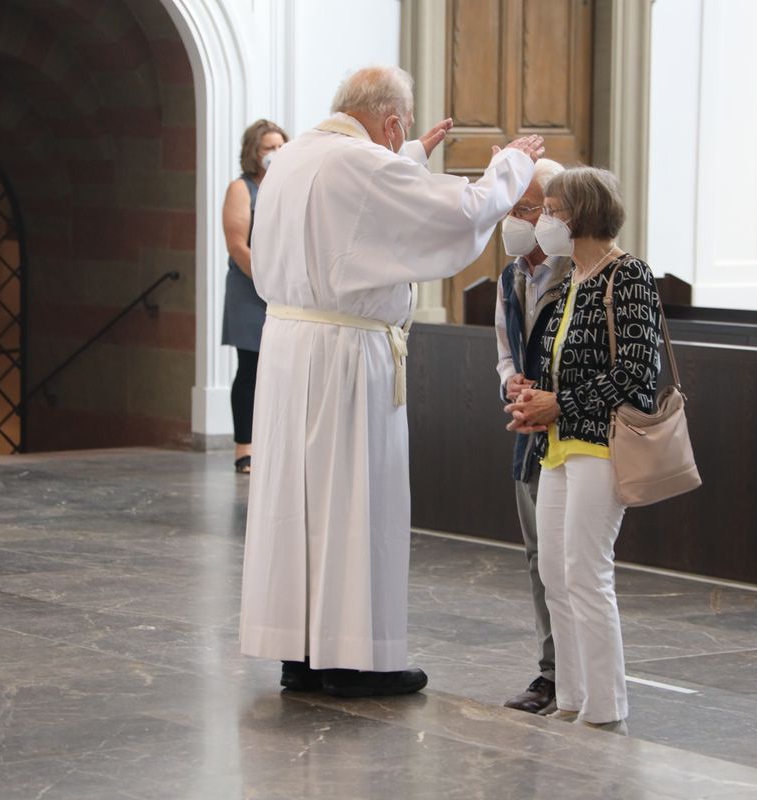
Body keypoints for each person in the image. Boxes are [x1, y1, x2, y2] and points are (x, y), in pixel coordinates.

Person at [239, 65, 545, 698]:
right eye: (399, 132)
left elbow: (352, 210)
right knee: (352, 501)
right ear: (391, 120)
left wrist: (407, 155)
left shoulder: (294, 157)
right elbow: (460, 212)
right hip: (346, 357)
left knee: (295, 506)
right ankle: (351, 659)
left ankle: (299, 655)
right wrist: (511, 165)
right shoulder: (361, 164)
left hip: (290, 352)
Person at [505, 167, 661, 733]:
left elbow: (637, 374)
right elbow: (553, 361)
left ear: (583, 214)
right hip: (557, 446)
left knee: (587, 572)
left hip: (601, 444)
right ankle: (571, 696)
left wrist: (559, 403)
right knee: (554, 571)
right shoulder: (570, 279)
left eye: (552, 208)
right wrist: (529, 395)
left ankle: (605, 706)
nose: (543, 219)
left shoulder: (630, 276)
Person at [492, 158, 571, 715]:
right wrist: (510, 380)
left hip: (574, 433)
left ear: (552, 214)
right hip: (528, 434)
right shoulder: (511, 275)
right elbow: (504, 348)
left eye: (528, 209)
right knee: (539, 557)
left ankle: (578, 672)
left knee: (575, 562)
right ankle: (550, 673)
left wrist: (554, 397)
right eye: (512, 208)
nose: (516, 220)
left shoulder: (581, 272)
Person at [222, 119, 288, 474]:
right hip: (251, 288)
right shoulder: (242, 188)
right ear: (254, 152)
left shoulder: (287, 187)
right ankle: (244, 449)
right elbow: (237, 245)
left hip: (283, 288)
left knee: (279, 370)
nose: (275, 154)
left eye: (281, 147)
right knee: (250, 367)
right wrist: (266, 280)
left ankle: (274, 446)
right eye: (268, 148)